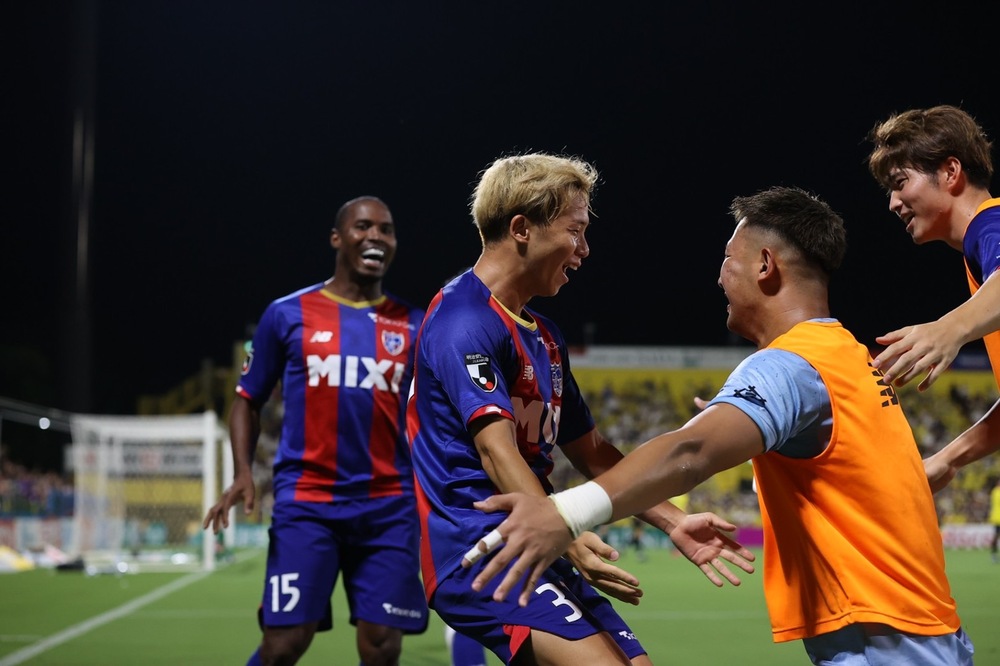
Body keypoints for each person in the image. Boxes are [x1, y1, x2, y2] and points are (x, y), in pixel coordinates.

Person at [466, 186, 975, 665]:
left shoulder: (790, 365)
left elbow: (689, 452)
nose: (719, 277)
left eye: (729, 260)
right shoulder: (845, 355)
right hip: (918, 629)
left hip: (884, 638)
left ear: (765, 265)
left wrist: (564, 514)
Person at [407, 152, 756, 665]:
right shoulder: (463, 320)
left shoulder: (545, 336)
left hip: (538, 540)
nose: (585, 249)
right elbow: (496, 452)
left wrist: (671, 522)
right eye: (575, 231)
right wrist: (565, 537)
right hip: (479, 546)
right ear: (522, 229)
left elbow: (592, 452)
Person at [202, 196, 429, 666]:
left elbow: (432, 417)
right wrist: (243, 472)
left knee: (383, 646)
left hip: (389, 506)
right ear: (337, 238)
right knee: (284, 643)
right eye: (363, 226)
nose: (375, 236)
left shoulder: (415, 324)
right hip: (307, 502)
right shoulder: (287, 313)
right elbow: (247, 399)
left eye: (386, 229)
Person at [866, 104, 1000, 490]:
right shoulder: (982, 252)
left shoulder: (989, 223)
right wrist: (949, 458)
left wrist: (948, 329)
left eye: (900, 182)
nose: (893, 202)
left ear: (950, 172)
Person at [990, 476, 1000, 564]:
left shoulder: (995, 491)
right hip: (998, 518)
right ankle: (993, 554)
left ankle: (994, 554)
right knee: (996, 536)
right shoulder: (996, 492)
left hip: (997, 517)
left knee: (996, 536)